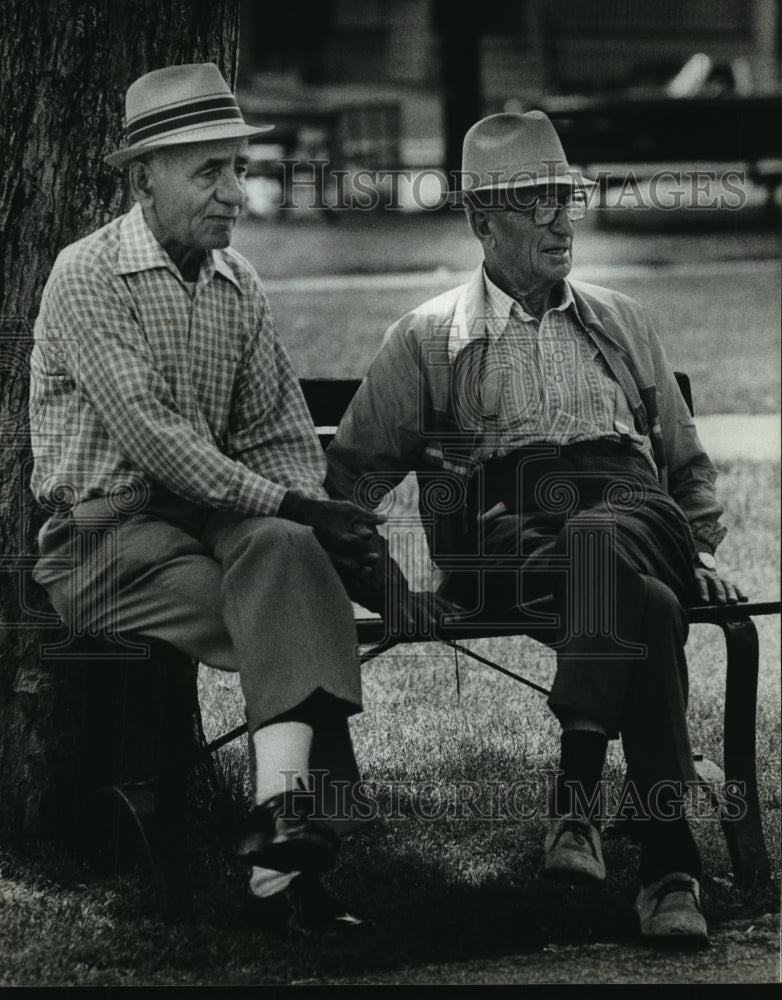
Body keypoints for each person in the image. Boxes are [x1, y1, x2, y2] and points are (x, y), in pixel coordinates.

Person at [325, 110, 747, 948]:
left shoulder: (620, 321)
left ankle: (583, 802)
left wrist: (690, 550)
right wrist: (396, 585)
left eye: (568, 196)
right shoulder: (426, 341)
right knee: (649, 606)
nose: (563, 218)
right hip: (507, 545)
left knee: (610, 543)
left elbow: (686, 470)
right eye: (536, 201)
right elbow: (349, 484)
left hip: (633, 515)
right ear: (482, 220)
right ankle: (665, 866)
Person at [29, 62, 384, 937]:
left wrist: (319, 524)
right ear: (143, 177)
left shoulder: (238, 284)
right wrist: (298, 514)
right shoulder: (89, 276)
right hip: (103, 542)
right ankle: (296, 858)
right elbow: (154, 440)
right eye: (208, 171)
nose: (235, 193)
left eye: (239, 168)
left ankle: (280, 829)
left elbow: (275, 434)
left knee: (289, 558)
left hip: (206, 528)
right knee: (289, 593)